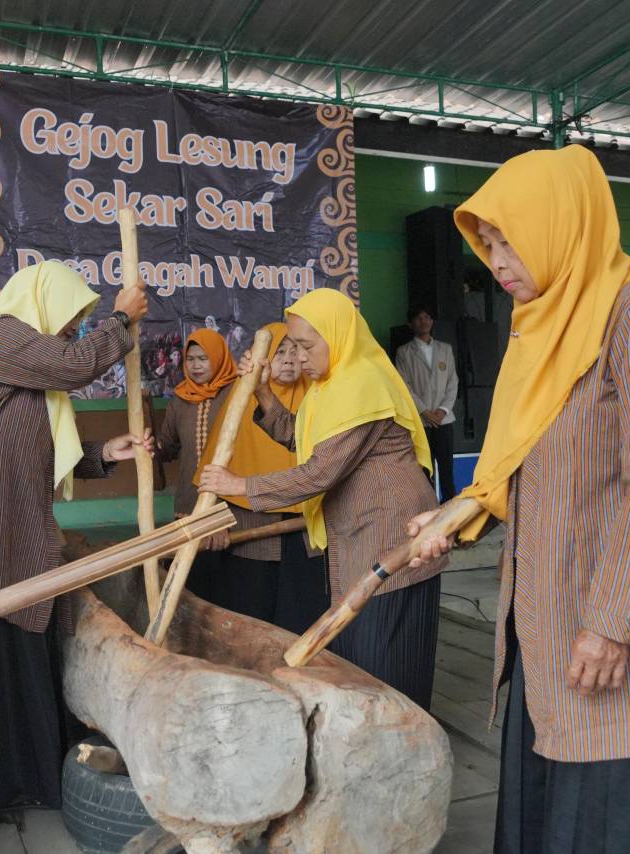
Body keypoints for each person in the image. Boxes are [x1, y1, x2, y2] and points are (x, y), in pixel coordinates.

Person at [408, 145, 630, 854]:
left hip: (614, 631)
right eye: (486, 243)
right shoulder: (541, 332)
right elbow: (528, 468)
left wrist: (613, 622)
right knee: (560, 795)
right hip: (550, 621)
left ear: (561, 223)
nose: (495, 260)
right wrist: (457, 513)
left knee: (620, 799)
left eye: (507, 237)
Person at [0, 261, 150, 834]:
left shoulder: (23, 362)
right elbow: (75, 367)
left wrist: (104, 456)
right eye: (67, 321)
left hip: (5, 517)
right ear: (41, 305)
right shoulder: (3, 335)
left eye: (77, 325)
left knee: (7, 636)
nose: (70, 333)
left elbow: (38, 446)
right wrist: (123, 319)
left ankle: (16, 778)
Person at [198, 288, 450, 706]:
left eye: (307, 346)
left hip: (394, 537)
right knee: (361, 660)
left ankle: (401, 751)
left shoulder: (363, 384)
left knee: (388, 667)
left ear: (339, 336)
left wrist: (239, 486)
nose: (298, 358)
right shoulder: (330, 387)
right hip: (359, 541)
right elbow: (302, 437)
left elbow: (319, 472)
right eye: (292, 347)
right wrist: (263, 392)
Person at [187, 322, 329, 633]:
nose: (289, 359)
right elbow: (212, 469)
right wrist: (208, 518)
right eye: (280, 351)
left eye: (296, 350)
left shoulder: (319, 399)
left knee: (303, 620)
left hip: (306, 534)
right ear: (261, 359)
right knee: (250, 619)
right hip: (249, 530)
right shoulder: (241, 400)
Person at [157, 328, 237, 517]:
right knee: (191, 547)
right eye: (190, 359)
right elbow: (168, 447)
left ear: (218, 357)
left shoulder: (238, 393)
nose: (196, 366)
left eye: (203, 358)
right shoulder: (180, 398)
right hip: (189, 499)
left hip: (232, 502)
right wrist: (153, 446)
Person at [395, 305, 459, 502]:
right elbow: (403, 386)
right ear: (410, 323)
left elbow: (452, 382)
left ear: (432, 322)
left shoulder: (445, 349)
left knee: (447, 468)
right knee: (424, 468)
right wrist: (424, 411)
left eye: (427, 317)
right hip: (421, 421)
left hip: (444, 420)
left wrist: (442, 410)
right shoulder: (404, 352)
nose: (423, 321)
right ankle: (428, 508)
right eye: (418, 318)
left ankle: (449, 508)